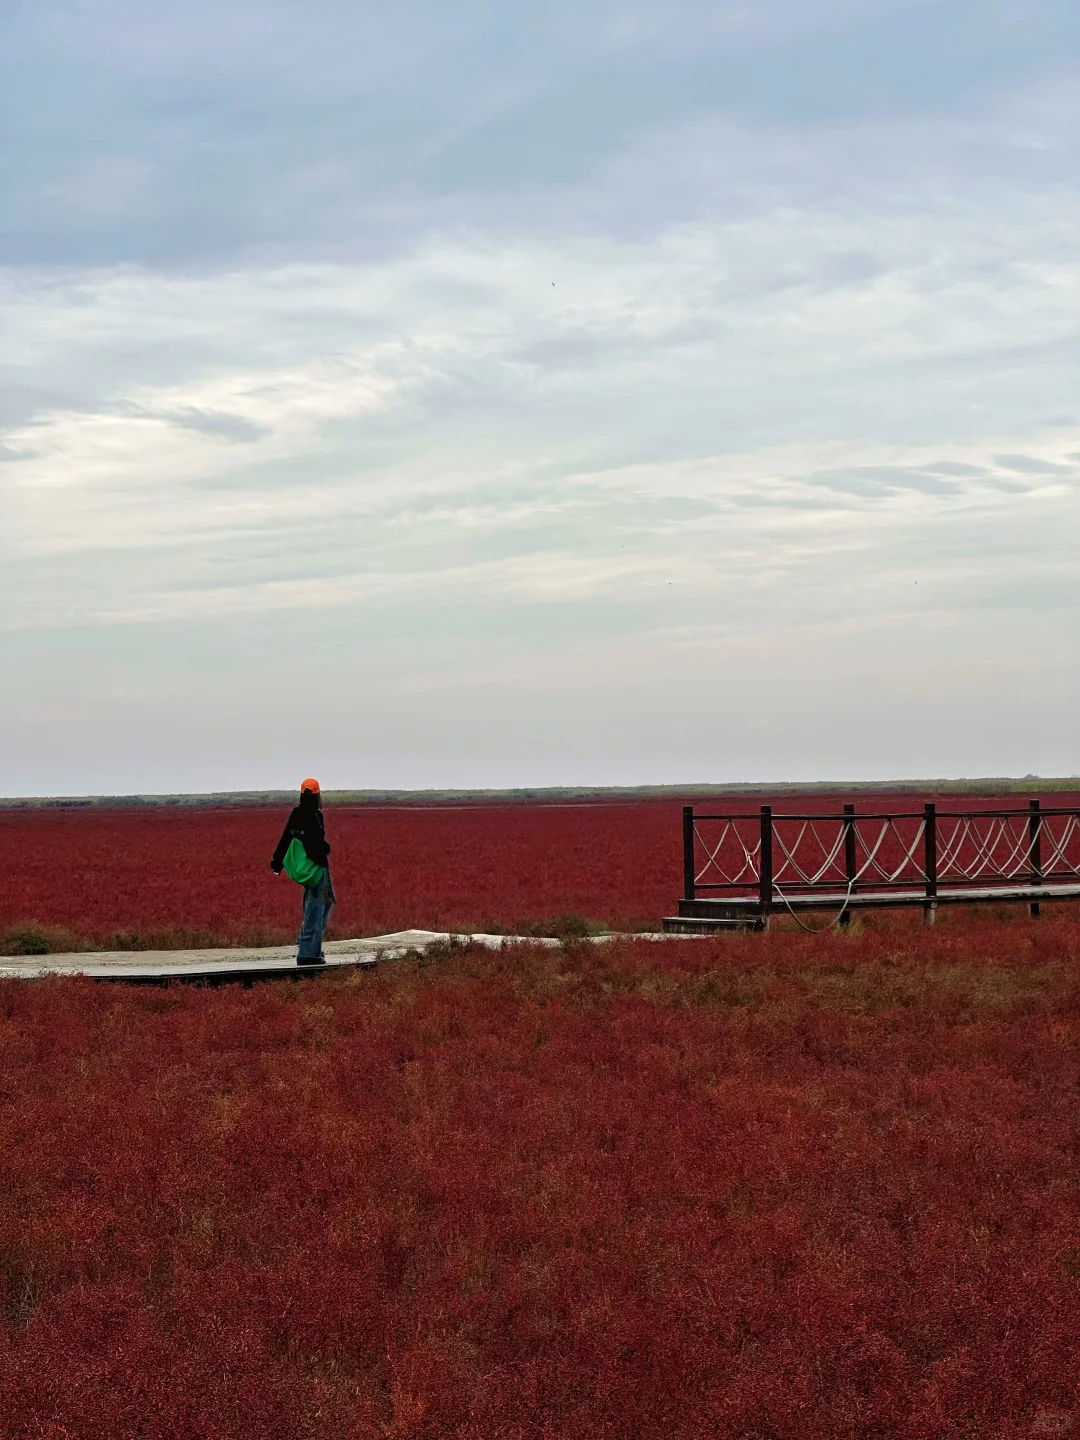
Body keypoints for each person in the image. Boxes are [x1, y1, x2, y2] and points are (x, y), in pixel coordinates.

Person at [271, 778, 336, 966]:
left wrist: (277, 862)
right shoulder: (316, 816)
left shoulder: (296, 813)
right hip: (316, 869)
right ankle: (308, 954)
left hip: (304, 868)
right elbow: (315, 845)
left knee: (321, 902)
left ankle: (310, 946)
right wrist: (325, 849)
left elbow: (286, 836)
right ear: (317, 795)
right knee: (316, 907)